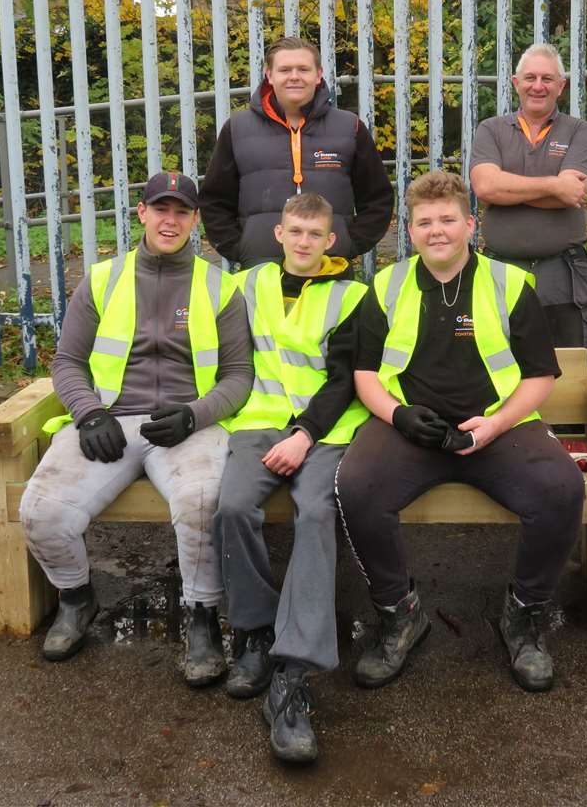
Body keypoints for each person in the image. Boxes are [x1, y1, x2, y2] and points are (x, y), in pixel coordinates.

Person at [335, 171, 585, 693]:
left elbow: (540, 375)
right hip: (412, 428)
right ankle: (400, 613)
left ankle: (523, 615)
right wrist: (397, 415)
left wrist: (496, 424)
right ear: (410, 230)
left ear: (471, 225)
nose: (437, 230)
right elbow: (364, 374)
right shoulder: (386, 285)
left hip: (494, 425)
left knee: (561, 488)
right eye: (425, 222)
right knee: (356, 485)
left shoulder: (510, 284)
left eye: (448, 219)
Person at [18, 172, 252, 686]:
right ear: (141, 213)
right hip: (110, 423)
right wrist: (88, 413)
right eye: (160, 209)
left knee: (201, 503)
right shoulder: (102, 279)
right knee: (41, 511)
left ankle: (202, 618)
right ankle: (76, 598)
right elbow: (67, 361)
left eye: (182, 213)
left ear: (195, 222)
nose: (171, 221)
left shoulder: (220, 286)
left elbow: (239, 376)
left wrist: (197, 414)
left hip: (188, 425)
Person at [213, 192, 370, 764]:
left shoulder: (353, 296)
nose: (303, 242)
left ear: (331, 242)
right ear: (278, 235)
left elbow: (346, 379)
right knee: (231, 508)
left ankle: (293, 672)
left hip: (325, 432)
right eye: (294, 232)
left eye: (315, 234)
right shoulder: (245, 286)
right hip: (255, 423)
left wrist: (304, 433)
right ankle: (254, 632)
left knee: (317, 513)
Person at [469, 43, 587, 372]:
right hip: (501, 271)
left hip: (563, 274)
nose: (538, 85)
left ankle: (570, 428)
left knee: (571, 369)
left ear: (561, 86)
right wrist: (553, 184)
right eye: (530, 77)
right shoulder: (491, 129)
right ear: (516, 82)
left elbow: (572, 192)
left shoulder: (579, 131)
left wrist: (508, 188)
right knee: (502, 366)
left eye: (547, 78)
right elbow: (485, 186)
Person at [199, 36, 394, 267]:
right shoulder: (238, 128)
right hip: (260, 270)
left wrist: (349, 243)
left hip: (329, 268)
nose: (294, 76)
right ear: (269, 75)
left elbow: (377, 197)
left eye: (303, 69)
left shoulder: (349, 127)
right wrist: (240, 247)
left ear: (318, 74)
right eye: (285, 69)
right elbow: (214, 200)